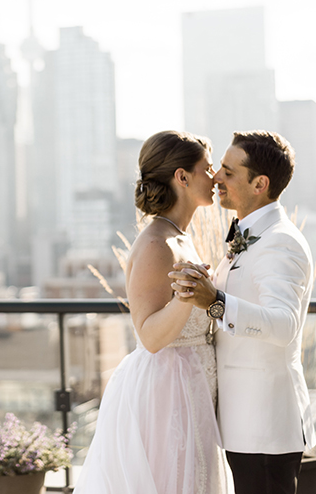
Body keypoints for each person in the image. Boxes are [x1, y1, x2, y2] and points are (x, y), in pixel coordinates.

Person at [74, 130, 226, 494]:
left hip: (193, 384)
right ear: (182, 177)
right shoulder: (157, 243)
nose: (216, 176)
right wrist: (186, 297)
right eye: (207, 168)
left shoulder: (180, 236)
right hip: (169, 390)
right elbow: (150, 336)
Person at [169, 130, 316, 494]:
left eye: (228, 172)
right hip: (244, 422)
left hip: (264, 424)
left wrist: (216, 301)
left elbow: (283, 325)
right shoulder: (251, 235)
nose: (217, 177)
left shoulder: (280, 241)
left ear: (260, 184)